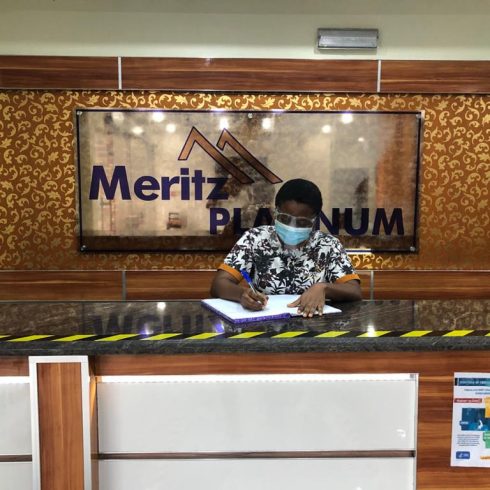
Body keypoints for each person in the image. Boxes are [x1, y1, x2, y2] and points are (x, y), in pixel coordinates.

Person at [210, 178, 362, 317]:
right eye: (284, 219)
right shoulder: (255, 239)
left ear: (314, 220)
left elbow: (354, 291)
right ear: (275, 211)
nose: (291, 227)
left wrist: (324, 288)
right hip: (265, 324)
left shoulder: (328, 245)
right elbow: (219, 284)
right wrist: (242, 294)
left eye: (301, 222)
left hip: (314, 324)